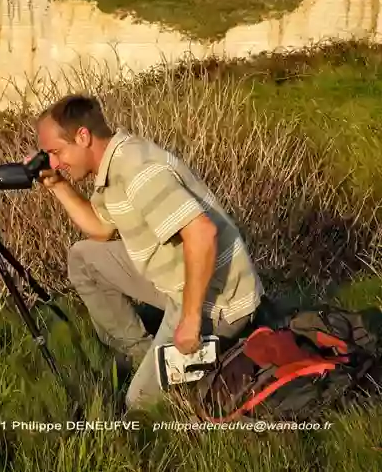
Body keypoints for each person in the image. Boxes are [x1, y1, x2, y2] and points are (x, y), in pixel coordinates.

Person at [31, 93, 263, 410]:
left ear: (83, 137)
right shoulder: (112, 166)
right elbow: (101, 228)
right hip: (173, 279)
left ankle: (173, 379)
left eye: (56, 152)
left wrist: (191, 320)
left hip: (218, 301)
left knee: (139, 404)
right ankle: (142, 353)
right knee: (84, 257)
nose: (55, 162)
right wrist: (57, 184)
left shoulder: (138, 171)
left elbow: (202, 234)